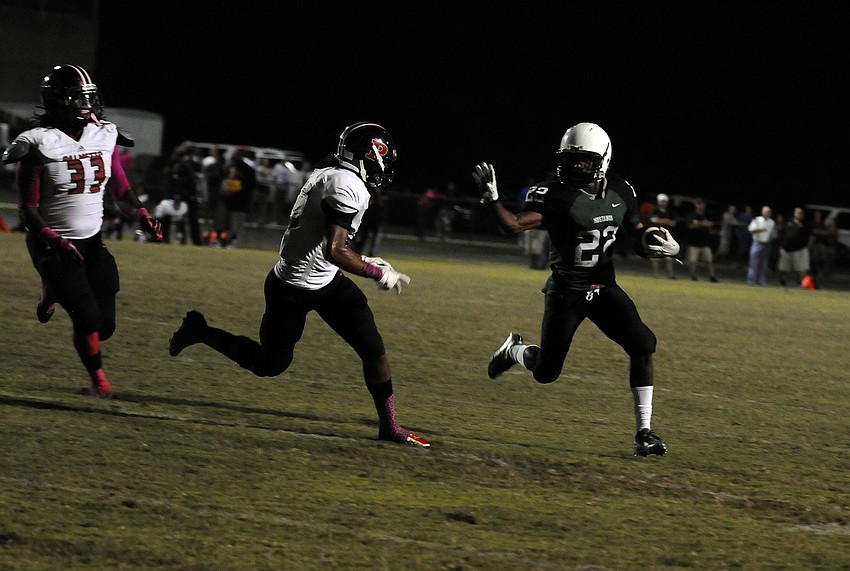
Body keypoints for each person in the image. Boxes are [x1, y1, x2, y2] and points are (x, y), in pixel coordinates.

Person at [168, 122, 429, 447]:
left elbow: (328, 241)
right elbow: (334, 250)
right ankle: (200, 331)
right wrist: (375, 273)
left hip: (325, 281)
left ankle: (389, 426)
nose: (385, 167)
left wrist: (365, 259)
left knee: (373, 349)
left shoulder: (331, 174)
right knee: (270, 364)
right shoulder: (347, 184)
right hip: (292, 287)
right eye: (382, 158)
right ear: (367, 156)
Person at [472, 122, 680, 457]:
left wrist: (658, 242)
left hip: (604, 287)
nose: (575, 166)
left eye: (583, 160)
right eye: (570, 159)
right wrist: (492, 198)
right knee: (545, 373)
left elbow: (637, 234)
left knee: (644, 344)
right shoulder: (553, 193)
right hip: (567, 291)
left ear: (602, 160)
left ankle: (644, 432)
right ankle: (514, 350)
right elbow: (513, 224)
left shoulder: (621, 190)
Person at [1, 64, 162, 397]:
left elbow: (121, 187)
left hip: (91, 241)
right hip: (51, 243)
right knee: (86, 318)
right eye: (78, 98)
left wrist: (142, 214)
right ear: (59, 101)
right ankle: (98, 380)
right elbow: (27, 210)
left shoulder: (104, 134)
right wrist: (54, 240)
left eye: (89, 97)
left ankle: (53, 291)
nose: (87, 105)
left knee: (105, 327)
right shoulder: (37, 143)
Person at [217, 147, 255, 247]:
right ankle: (221, 241)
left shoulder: (247, 168)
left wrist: (239, 191)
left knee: (235, 222)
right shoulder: (228, 166)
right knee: (223, 221)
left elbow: (251, 184)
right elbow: (222, 180)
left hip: (239, 200)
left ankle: (232, 241)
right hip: (227, 198)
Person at [777, 206, 814, 287]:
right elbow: (782, 234)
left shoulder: (806, 225)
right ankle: (783, 284)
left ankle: (803, 285)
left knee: (802, 270)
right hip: (786, 250)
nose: (799, 214)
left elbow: (811, 237)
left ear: (803, 215)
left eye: (800, 213)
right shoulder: (788, 222)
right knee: (783, 269)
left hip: (800, 250)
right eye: (797, 212)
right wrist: (781, 247)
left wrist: (808, 247)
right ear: (794, 213)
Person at [685, 198, 718, 282]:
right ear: (696, 205)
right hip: (693, 242)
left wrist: (697, 223)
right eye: (698, 204)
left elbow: (710, 225)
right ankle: (693, 276)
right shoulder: (692, 215)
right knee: (692, 261)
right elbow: (690, 226)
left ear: (704, 205)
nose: (700, 205)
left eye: (702, 204)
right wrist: (703, 224)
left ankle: (712, 276)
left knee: (709, 260)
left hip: (705, 242)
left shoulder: (707, 214)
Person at [649, 193, 678, 279]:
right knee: (655, 257)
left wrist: (661, 221)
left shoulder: (670, 212)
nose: (663, 203)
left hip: (667, 238)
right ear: (658, 201)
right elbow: (654, 221)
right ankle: (656, 274)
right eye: (662, 201)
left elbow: (673, 223)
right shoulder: (654, 210)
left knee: (668, 257)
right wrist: (666, 221)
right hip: (656, 236)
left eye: (665, 201)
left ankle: (670, 274)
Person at [746, 205, 775, 286]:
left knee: (764, 264)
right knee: (754, 263)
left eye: (769, 212)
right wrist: (760, 229)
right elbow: (750, 229)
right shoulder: (757, 220)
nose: (767, 213)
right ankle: (751, 281)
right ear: (762, 212)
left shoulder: (772, 222)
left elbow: (772, 233)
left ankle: (761, 281)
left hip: (766, 244)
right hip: (757, 243)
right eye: (766, 211)